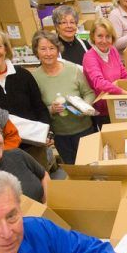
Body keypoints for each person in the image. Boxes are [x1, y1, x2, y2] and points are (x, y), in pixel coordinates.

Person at [31, 30, 96, 165]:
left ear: (58, 49)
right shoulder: (34, 78)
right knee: (72, 168)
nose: (48, 53)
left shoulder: (73, 70)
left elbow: (89, 93)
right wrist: (51, 109)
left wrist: (85, 106)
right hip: (60, 135)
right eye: (43, 49)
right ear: (36, 52)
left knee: (92, 165)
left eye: (52, 48)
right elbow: (36, 107)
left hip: (84, 129)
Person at [82, 18, 127, 129]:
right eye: (100, 36)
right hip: (105, 111)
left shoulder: (112, 50)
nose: (104, 41)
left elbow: (124, 75)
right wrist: (121, 91)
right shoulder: (90, 57)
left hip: (121, 105)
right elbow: (98, 82)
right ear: (93, 37)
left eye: (108, 36)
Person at [0, 28, 50, 125]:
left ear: (5, 49)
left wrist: (48, 133)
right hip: (2, 139)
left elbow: (40, 107)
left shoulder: (23, 75)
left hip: (34, 137)